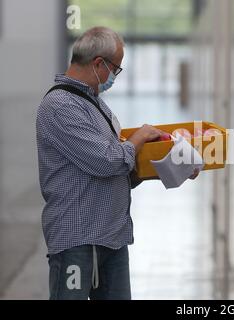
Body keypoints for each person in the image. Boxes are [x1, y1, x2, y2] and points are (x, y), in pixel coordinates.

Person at [36, 26, 199, 300]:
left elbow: (119, 169)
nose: (114, 77)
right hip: (78, 240)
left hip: (111, 238)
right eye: (116, 69)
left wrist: (169, 166)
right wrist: (140, 137)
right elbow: (107, 161)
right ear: (99, 63)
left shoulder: (96, 106)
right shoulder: (60, 106)